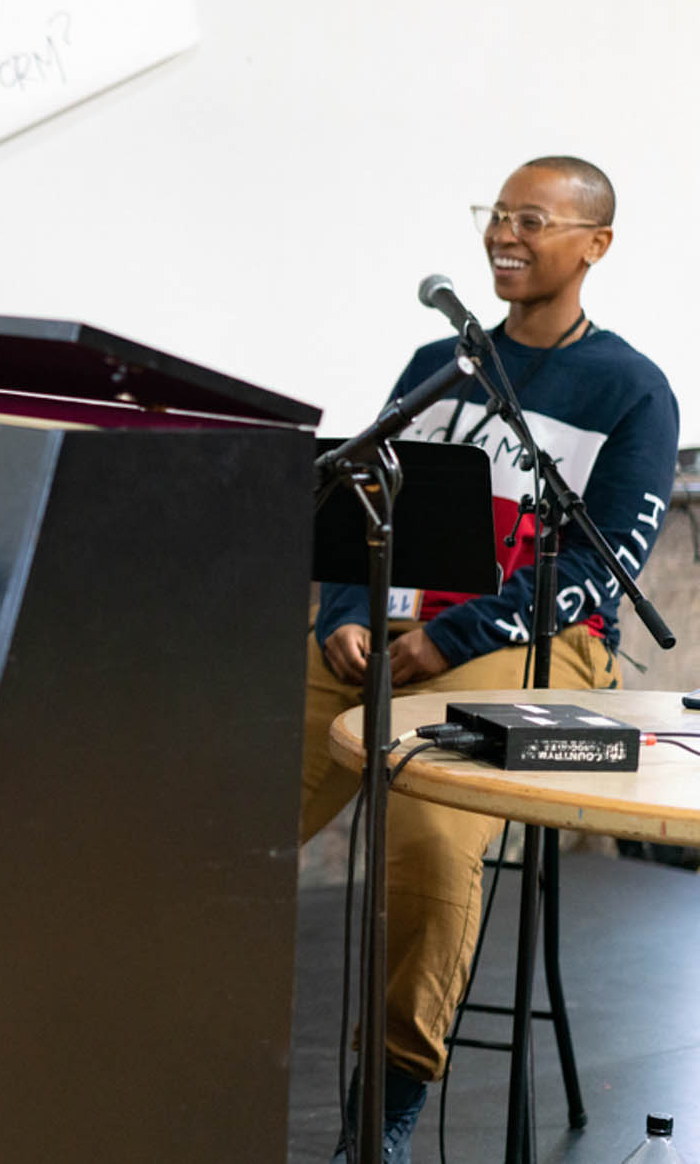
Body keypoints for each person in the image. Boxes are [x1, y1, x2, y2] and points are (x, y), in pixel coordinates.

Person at [301, 155, 679, 1161]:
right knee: (218, 781)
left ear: (593, 244)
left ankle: (380, 1107)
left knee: (427, 824)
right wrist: (342, 609)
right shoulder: (440, 362)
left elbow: (602, 569)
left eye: (533, 219)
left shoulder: (630, 390)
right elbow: (360, 496)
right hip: (390, 629)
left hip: (530, 646)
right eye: (497, 215)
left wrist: (444, 638)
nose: (504, 235)